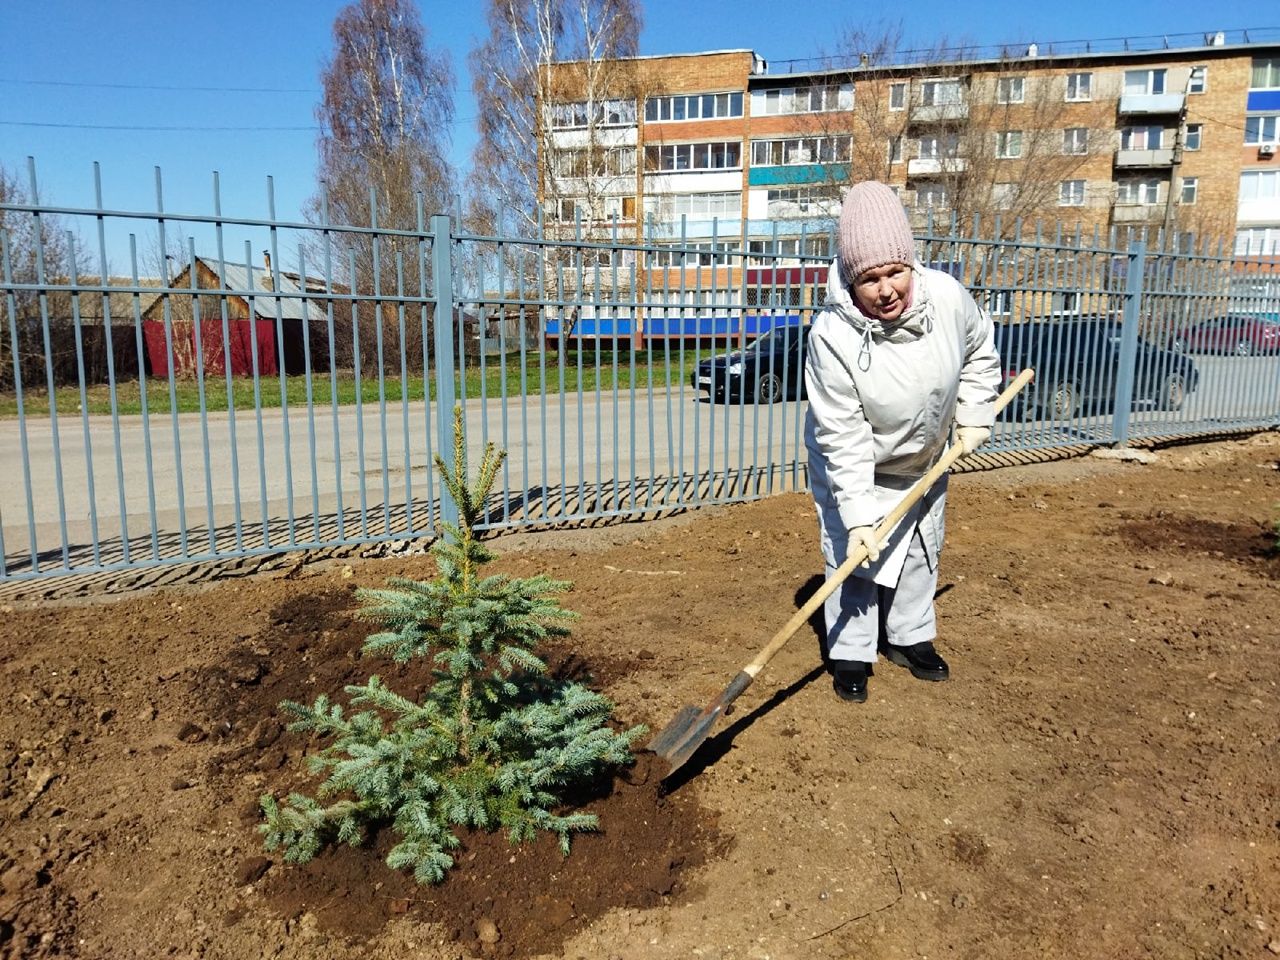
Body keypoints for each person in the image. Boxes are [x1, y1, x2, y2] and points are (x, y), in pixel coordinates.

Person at [804, 181, 1001, 703]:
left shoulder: (947, 298)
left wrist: (976, 414)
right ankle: (851, 652)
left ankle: (910, 638)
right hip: (857, 463)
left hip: (927, 455)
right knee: (854, 557)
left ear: (911, 263)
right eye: (870, 279)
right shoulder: (832, 335)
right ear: (850, 280)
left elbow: (980, 351)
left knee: (920, 547)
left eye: (895, 272)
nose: (887, 289)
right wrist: (861, 517)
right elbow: (842, 434)